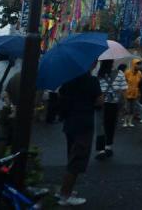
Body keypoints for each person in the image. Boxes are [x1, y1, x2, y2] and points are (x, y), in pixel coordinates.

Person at [57, 66, 102, 206]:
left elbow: (61, 97)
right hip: (84, 124)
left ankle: (65, 190)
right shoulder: (92, 81)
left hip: (70, 122)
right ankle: (65, 195)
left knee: (71, 156)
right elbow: (99, 102)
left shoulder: (68, 80)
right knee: (77, 159)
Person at [95, 60, 126, 159]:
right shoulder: (120, 73)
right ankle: (108, 146)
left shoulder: (98, 74)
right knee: (111, 125)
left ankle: (101, 150)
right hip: (114, 103)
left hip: (101, 103)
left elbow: (95, 90)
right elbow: (124, 89)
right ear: (112, 62)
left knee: (100, 125)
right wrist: (123, 103)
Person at [123, 59, 142, 127]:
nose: (139, 66)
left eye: (139, 64)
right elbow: (124, 81)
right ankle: (125, 122)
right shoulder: (127, 72)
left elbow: (140, 83)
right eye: (137, 64)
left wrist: (139, 92)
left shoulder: (139, 73)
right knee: (127, 108)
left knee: (133, 109)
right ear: (133, 64)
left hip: (135, 93)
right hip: (127, 92)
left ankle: (130, 122)